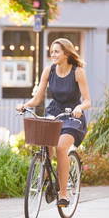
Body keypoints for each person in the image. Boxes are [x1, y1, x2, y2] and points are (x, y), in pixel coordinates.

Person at [16, 38, 91, 207]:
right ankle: (50, 179)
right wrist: (25, 105)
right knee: (46, 149)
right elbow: (37, 99)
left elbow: (88, 100)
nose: (53, 54)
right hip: (54, 113)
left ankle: (63, 193)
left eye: (56, 51)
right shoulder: (49, 71)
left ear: (66, 53)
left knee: (61, 147)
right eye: (51, 52)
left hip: (72, 116)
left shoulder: (77, 72)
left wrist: (79, 107)